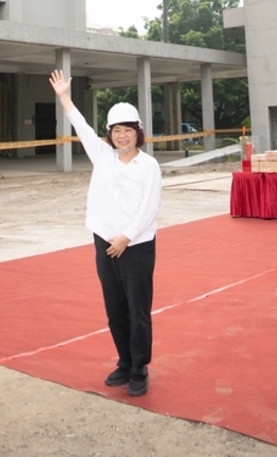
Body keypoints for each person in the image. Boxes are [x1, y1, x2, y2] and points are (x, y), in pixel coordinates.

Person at [49, 69, 162, 397]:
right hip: (104, 242)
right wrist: (64, 97)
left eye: (128, 130)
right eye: (116, 131)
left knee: (137, 308)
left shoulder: (148, 166)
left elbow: (149, 207)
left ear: (138, 133)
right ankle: (124, 361)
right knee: (115, 307)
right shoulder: (102, 157)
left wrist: (126, 236)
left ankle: (140, 367)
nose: (122, 136)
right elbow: (80, 126)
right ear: (109, 134)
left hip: (136, 246)